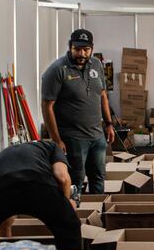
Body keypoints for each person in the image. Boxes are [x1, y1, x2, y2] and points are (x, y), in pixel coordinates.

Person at [0, 140, 82, 250]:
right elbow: (62, 178)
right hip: (36, 183)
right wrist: (66, 205)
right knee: (70, 228)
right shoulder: (54, 147)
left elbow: (6, 207)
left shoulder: (7, 152)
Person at [41, 29, 115, 194]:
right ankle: (75, 217)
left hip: (97, 136)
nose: (82, 53)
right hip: (73, 138)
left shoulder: (96, 64)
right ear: (70, 47)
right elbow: (47, 106)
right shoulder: (57, 70)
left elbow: (102, 94)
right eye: (77, 49)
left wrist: (109, 124)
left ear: (92, 49)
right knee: (76, 181)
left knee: (98, 178)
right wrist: (56, 140)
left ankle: (96, 216)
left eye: (86, 49)